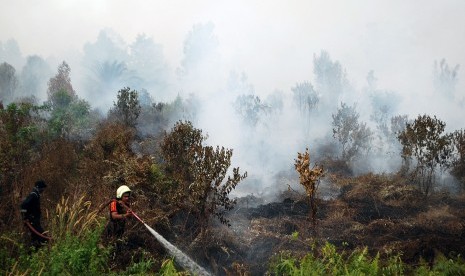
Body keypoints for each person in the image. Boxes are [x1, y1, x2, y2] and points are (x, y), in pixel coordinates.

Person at [20, 180, 50, 248]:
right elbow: (23, 205)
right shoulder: (33, 195)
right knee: (43, 238)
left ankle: (33, 254)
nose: (43, 190)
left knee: (36, 238)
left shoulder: (36, 195)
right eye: (42, 188)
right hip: (32, 222)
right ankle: (33, 253)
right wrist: (25, 217)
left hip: (35, 221)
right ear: (39, 187)